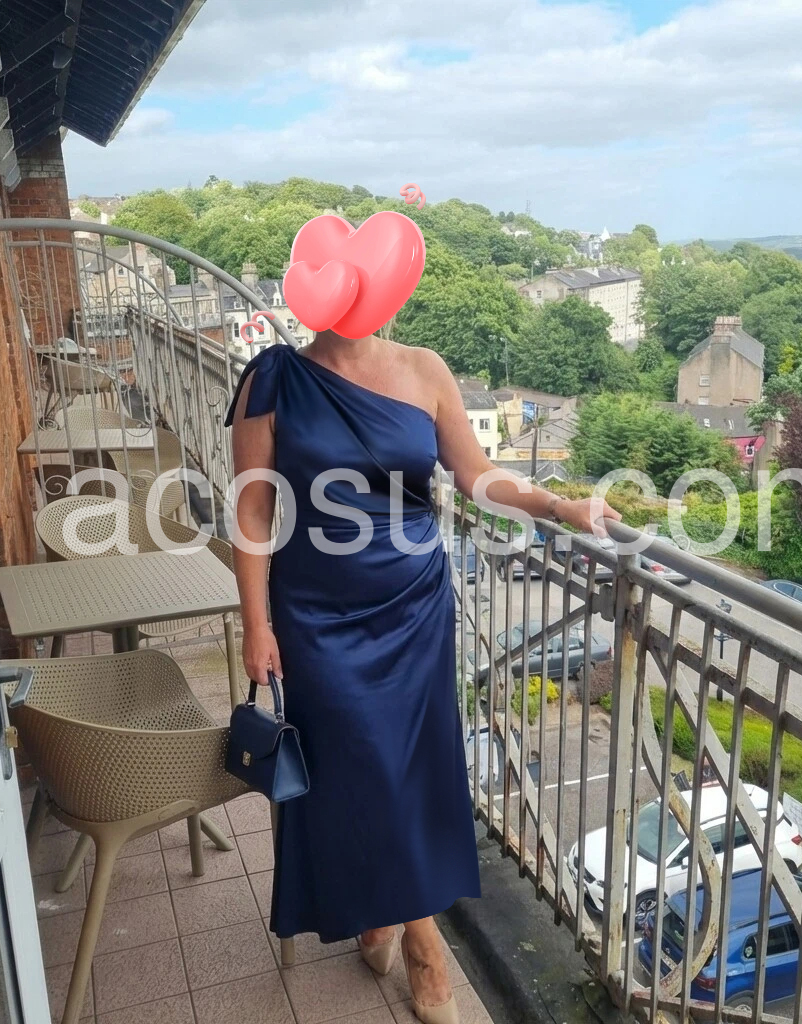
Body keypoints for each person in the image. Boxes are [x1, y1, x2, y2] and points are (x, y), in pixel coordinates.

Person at [226, 328, 618, 1024]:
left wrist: (563, 507)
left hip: (412, 606)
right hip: (315, 611)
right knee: (354, 767)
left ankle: (390, 918)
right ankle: (421, 935)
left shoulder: (425, 369)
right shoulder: (273, 379)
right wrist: (256, 624)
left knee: (409, 769)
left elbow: (477, 477)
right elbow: (253, 510)